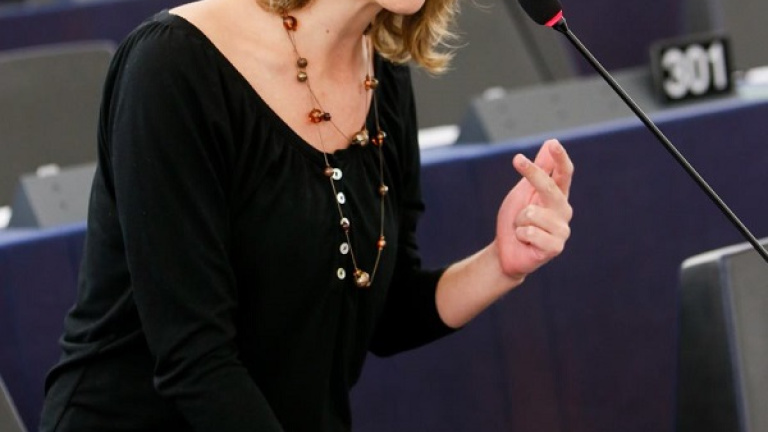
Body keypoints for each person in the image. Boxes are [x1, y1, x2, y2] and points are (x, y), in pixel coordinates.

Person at [39, 0, 574, 430]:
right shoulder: (173, 65)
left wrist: (502, 263)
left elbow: (388, 313)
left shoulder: (382, 74)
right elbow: (193, 358)